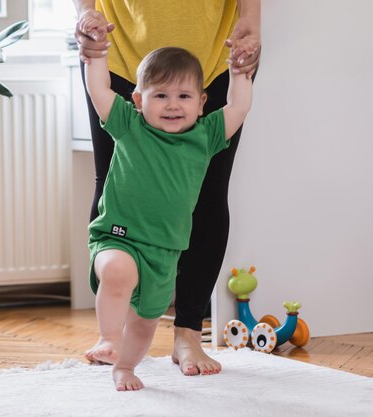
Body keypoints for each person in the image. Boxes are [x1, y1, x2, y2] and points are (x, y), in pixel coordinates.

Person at [73, 0, 261, 377]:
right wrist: (92, 42)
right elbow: (99, 92)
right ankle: (109, 335)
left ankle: (135, 360)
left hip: (166, 250)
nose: (173, 106)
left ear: (201, 103)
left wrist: (241, 67)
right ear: (140, 102)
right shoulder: (127, 122)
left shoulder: (206, 135)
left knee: (146, 321)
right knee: (117, 266)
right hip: (121, 49)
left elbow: (238, 109)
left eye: (183, 99)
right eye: (162, 98)